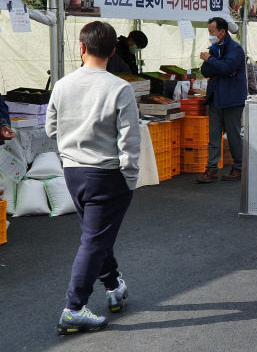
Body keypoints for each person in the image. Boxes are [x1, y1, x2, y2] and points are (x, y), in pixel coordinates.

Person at [46, 21, 141, 334]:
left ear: (82, 48)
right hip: (107, 174)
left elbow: (50, 129)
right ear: (114, 51)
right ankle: (74, 307)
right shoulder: (119, 88)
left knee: (96, 236)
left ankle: (113, 285)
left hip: (73, 172)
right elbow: (130, 140)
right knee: (94, 240)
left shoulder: (61, 85)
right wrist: (130, 177)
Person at [196, 17, 246, 183]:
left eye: (212, 31)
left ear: (222, 32)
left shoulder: (236, 49)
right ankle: (211, 169)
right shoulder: (214, 48)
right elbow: (205, 71)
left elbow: (228, 67)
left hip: (232, 99)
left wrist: (211, 60)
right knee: (214, 136)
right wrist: (219, 67)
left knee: (234, 135)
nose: (210, 34)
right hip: (216, 97)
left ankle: (239, 167)